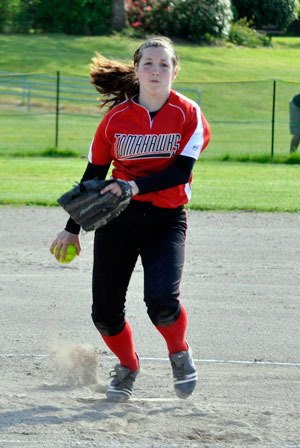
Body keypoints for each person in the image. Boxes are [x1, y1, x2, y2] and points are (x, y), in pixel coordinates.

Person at [50, 36, 211, 402]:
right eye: (148, 64)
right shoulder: (115, 120)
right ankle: (128, 366)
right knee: (105, 313)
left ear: (175, 71)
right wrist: (72, 228)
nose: (156, 71)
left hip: (166, 220)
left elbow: (181, 172)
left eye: (164, 64)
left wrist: (132, 186)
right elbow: (94, 173)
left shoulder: (189, 114)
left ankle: (179, 353)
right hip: (117, 221)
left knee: (162, 303)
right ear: (136, 70)